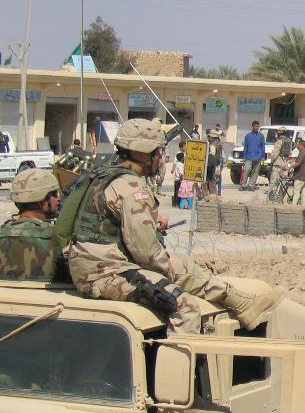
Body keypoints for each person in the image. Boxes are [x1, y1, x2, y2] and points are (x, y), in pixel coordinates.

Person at [67, 118, 284, 334]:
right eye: (158, 152)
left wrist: (175, 266)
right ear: (143, 153)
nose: (162, 158)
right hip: (104, 273)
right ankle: (181, 356)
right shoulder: (132, 189)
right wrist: (169, 272)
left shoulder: (106, 175)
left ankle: (241, 302)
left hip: (102, 263)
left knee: (184, 266)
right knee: (184, 307)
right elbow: (146, 253)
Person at [0, 168, 61, 280]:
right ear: (43, 201)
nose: (58, 199)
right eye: (55, 194)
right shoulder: (57, 238)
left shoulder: (2, 233)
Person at [240, 121, 265, 191]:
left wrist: (263, 156)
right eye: (255, 126)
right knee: (247, 169)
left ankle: (251, 185)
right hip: (249, 156)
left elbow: (263, 146)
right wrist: (244, 156)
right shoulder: (248, 136)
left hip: (258, 157)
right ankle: (243, 184)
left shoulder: (261, 136)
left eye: (258, 126)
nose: (257, 128)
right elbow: (245, 146)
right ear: (253, 126)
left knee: (256, 172)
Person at [290, 140, 305, 205]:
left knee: (296, 192)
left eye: (298, 144)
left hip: (300, 176)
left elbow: (298, 163)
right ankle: (303, 206)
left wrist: (290, 166)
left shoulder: (302, 153)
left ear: (302, 146)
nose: (297, 146)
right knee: (303, 192)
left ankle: (293, 206)